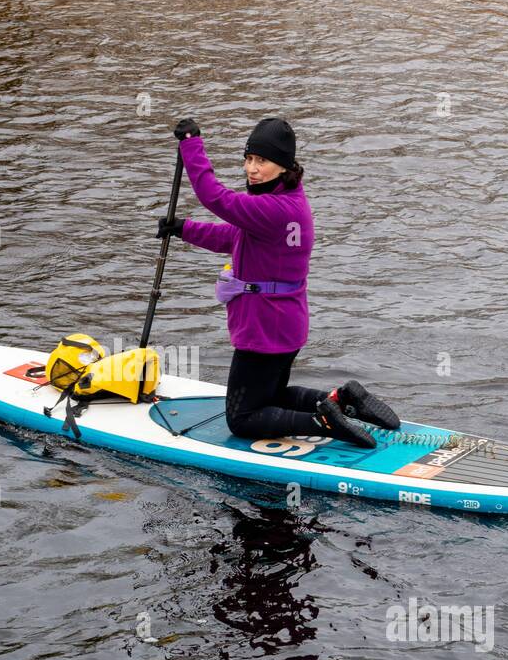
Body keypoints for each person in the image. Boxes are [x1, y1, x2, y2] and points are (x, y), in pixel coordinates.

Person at [158, 116, 400, 447]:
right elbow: (236, 237)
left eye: (262, 161)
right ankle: (342, 399)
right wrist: (184, 229)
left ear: (284, 167)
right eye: (249, 159)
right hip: (285, 325)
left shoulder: (272, 209)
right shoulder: (289, 204)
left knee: (242, 418)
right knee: (271, 396)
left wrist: (191, 143)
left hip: (263, 329)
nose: (252, 168)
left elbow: (212, 195)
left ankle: (324, 420)